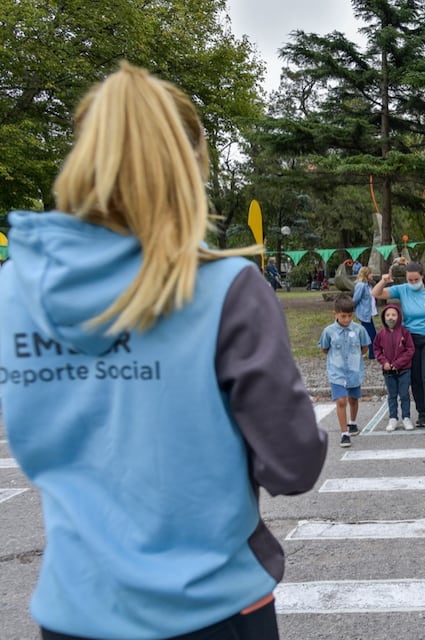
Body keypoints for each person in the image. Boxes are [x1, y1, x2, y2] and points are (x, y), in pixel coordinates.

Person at [0, 63, 327, 640]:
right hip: (213, 605)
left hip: (75, 609)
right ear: (188, 164)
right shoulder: (224, 289)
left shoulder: (14, 287)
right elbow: (293, 463)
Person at [372, 261, 425, 431]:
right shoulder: (403, 289)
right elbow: (376, 293)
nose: (413, 283)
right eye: (410, 280)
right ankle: (421, 413)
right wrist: (384, 280)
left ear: (422, 277)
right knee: (415, 378)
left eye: (416, 279)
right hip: (410, 339)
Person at [319, 295, 371, 448]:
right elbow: (324, 348)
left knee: (353, 399)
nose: (347, 319)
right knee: (341, 400)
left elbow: (364, 347)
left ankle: (353, 422)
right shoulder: (328, 331)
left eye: (349, 316)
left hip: (354, 371)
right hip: (336, 371)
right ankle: (344, 433)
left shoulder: (359, 329)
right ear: (335, 314)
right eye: (343, 316)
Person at [374, 304, 416, 432]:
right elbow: (376, 349)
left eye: (393, 315)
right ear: (383, 317)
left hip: (404, 370)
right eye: (387, 315)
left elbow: (410, 350)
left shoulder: (404, 332)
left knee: (404, 394)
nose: (390, 318)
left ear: (399, 317)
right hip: (388, 371)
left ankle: (406, 417)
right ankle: (393, 418)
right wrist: (384, 362)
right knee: (392, 395)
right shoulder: (381, 334)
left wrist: (398, 363)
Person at [352, 266, 377, 358]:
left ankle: (368, 352)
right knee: (371, 334)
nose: (372, 275)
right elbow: (356, 299)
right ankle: (372, 354)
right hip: (364, 313)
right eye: (371, 273)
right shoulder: (361, 285)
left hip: (368, 313)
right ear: (366, 274)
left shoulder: (368, 285)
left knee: (368, 333)